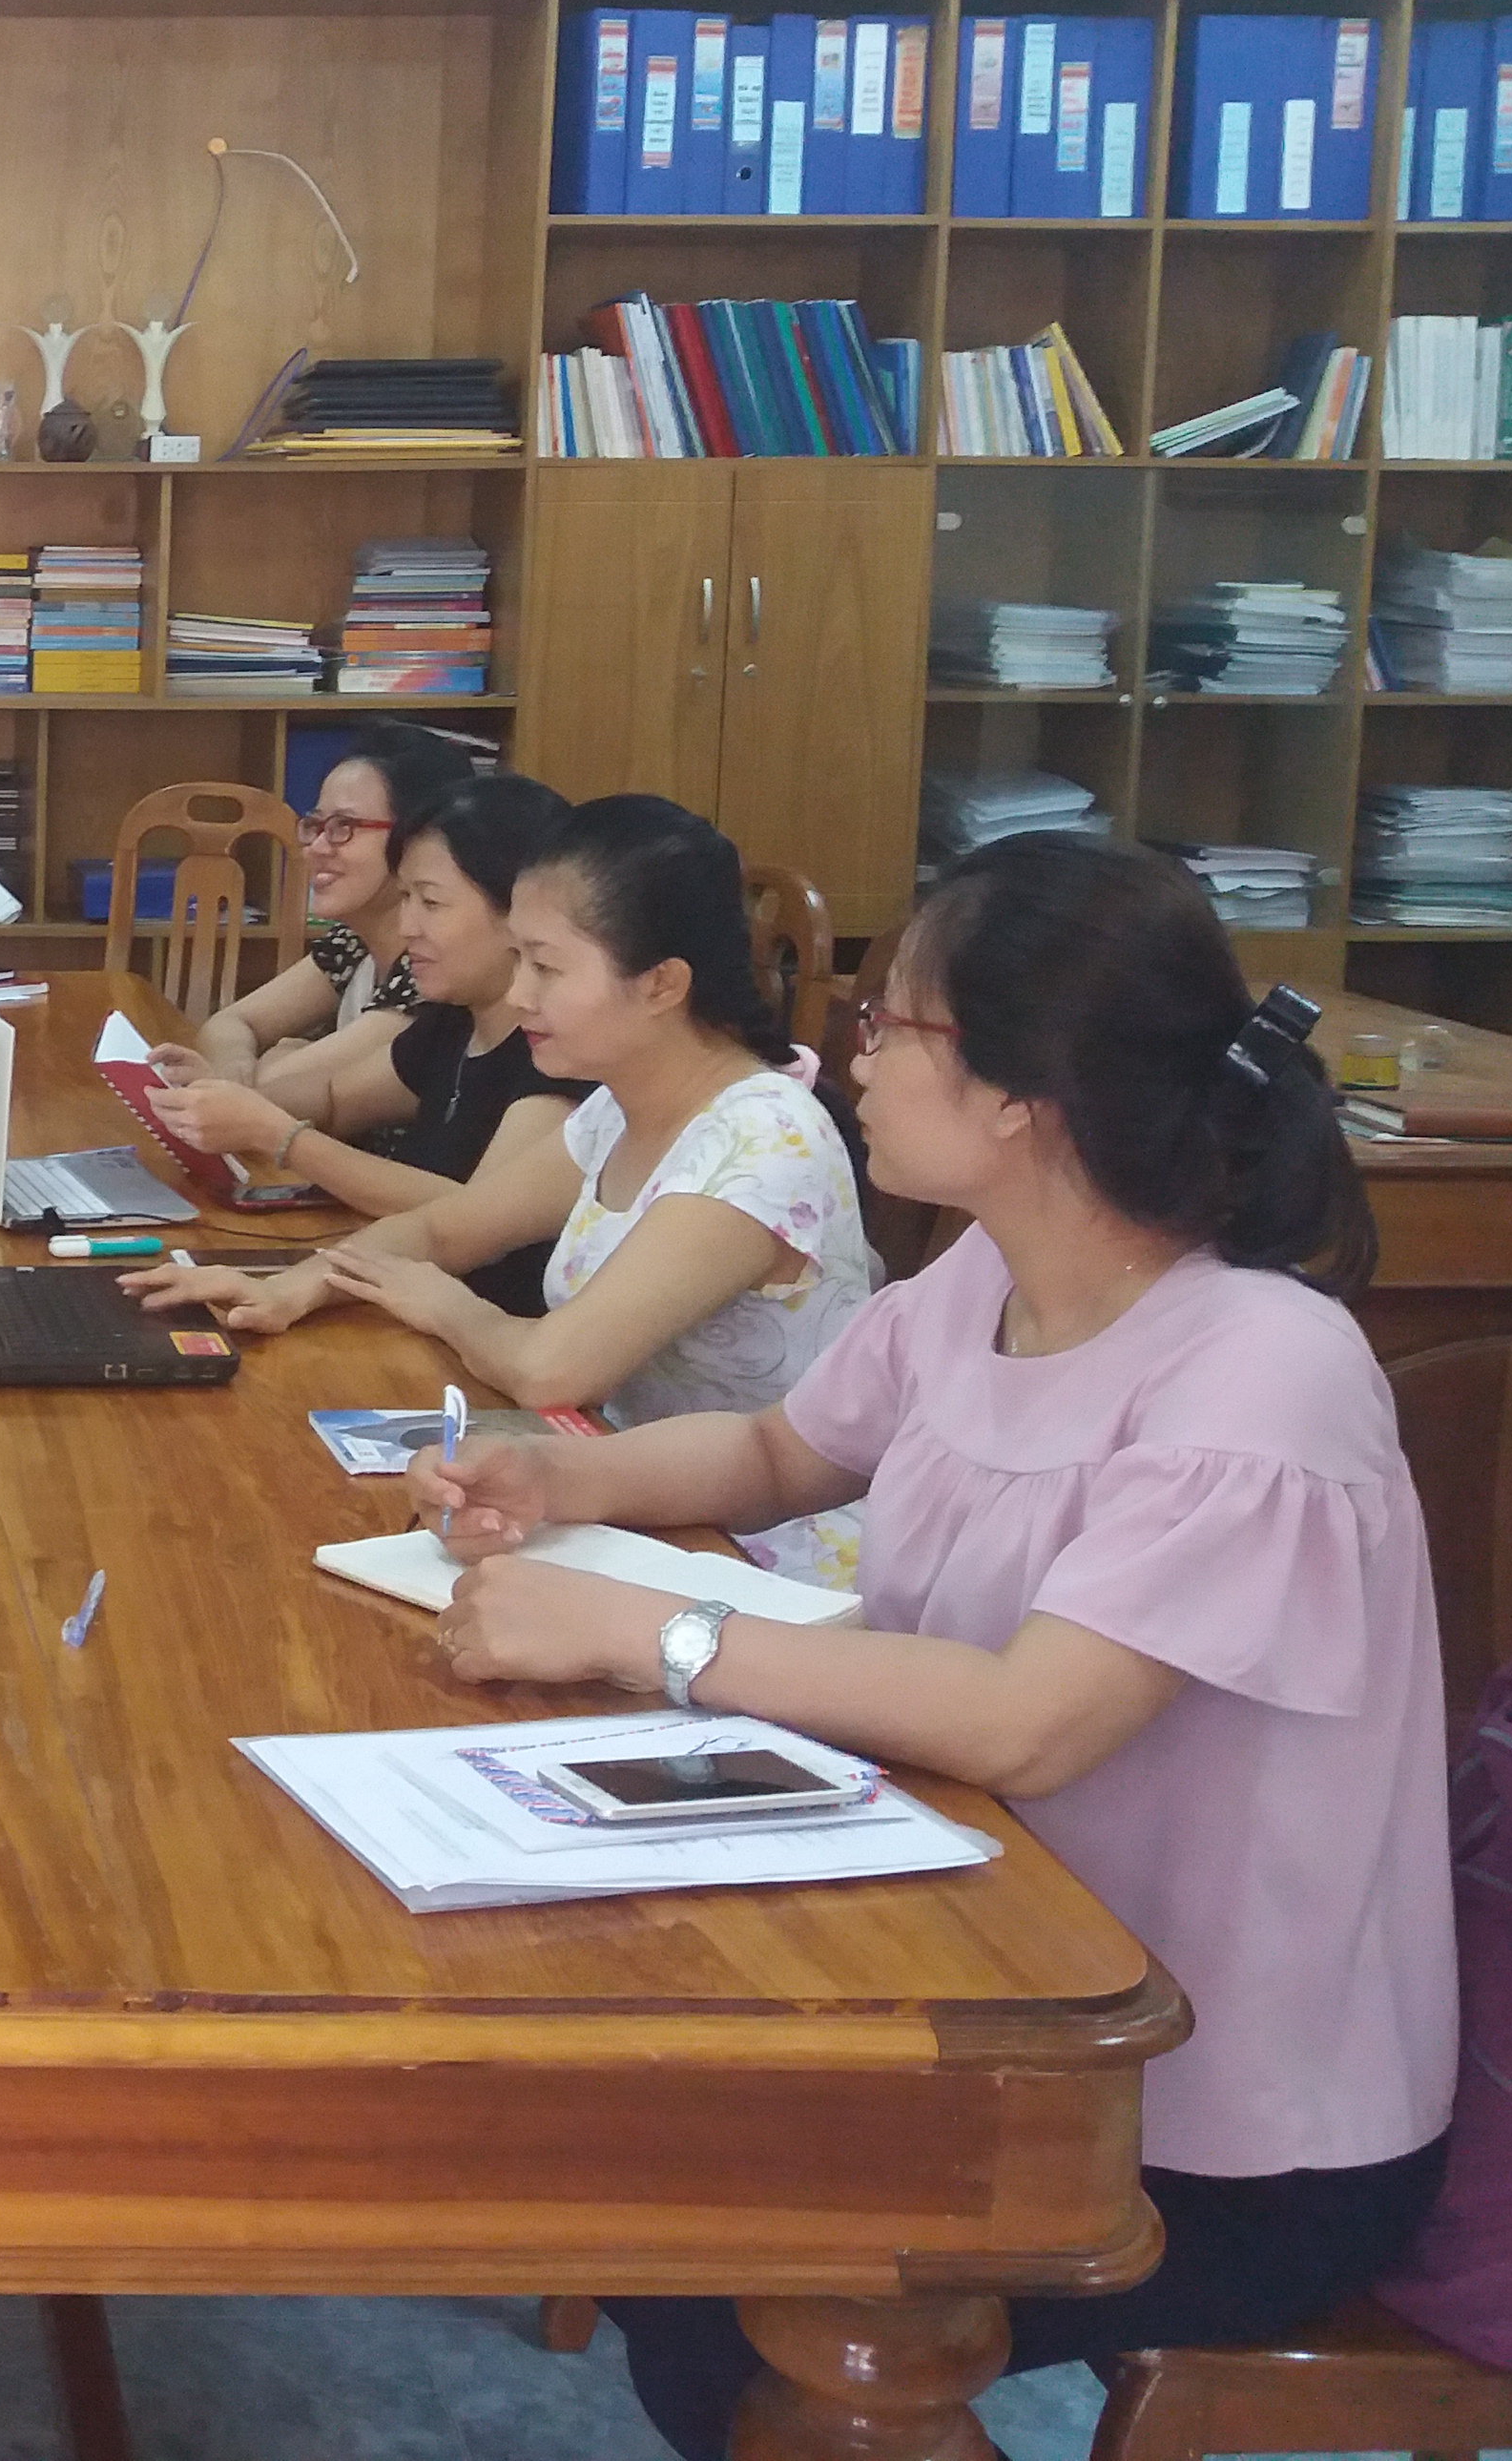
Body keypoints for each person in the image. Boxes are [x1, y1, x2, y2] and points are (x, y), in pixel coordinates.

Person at [410, 837, 1445, 2461]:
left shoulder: (1261, 1375)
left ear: (1023, 1093)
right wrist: (559, 1480)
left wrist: (648, 1632)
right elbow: (779, 1453)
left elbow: (1031, 1721)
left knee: (740, 2304)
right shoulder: (984, 1279)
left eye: (891, 1023)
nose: (853, 1058)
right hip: (981, 1965)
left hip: (1209, 2114)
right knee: (651, 2195)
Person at [129, 795, 876, 1576]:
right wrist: (293, 1286)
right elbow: (447, 1228)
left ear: (661, 984)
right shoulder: (620, 1106)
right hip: (619, 1491)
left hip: (756, 1554)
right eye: (518, 959)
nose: (520, 995)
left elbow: (553, 1367)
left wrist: (446, 1305)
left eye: (546, 967)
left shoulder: (763, 1138)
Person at [133, 774, 590, 1310]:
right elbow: (335, 1099)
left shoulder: (559, 1057)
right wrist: (225, 1096)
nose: (408, 925)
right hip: (401, 1300)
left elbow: (469, 1216)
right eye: (405, 898)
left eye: (431, 902)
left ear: (519, 913)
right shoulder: (453, 1020)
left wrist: (278, 1135)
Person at [166, 720, 475, 1095]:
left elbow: (279, 1091)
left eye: (344, 827)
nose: (317, 848)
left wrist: (274, 1060)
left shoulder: (431, 974)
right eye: (315, 825)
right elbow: (229, 1023)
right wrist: (237, 1066)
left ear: (416, 838)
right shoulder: (353, 941)